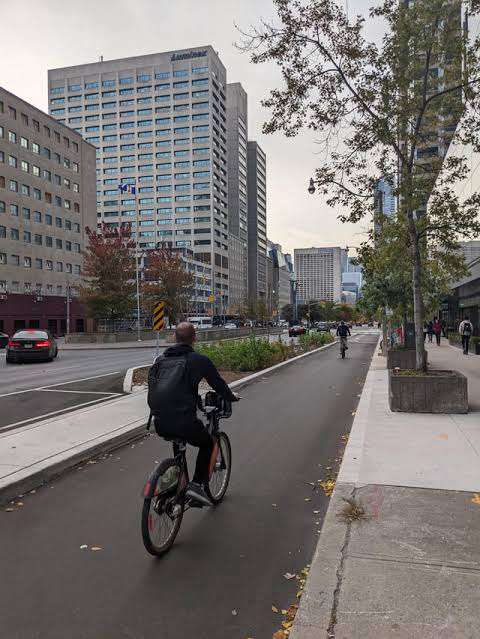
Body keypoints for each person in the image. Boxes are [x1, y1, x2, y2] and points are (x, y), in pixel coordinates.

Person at [150, 322, 238, 506]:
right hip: (185, 422)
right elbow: (218, 384)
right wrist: (231, 397)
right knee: (208, 443)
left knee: (177, 440)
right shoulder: (199, 360)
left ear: (174, 338)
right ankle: (196, 485)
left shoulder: (160, 361)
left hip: (160, 422)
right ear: (194, 339)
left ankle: (175, 483)